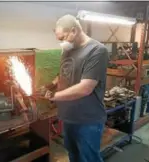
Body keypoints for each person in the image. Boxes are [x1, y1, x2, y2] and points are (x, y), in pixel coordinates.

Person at [39, 14, 109, 162]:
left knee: (89, 159)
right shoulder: (67, 50)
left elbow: (86, 88)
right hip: (68, 117)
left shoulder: (97, 51)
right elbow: (64, 73)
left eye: (63, 38)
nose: (62, 42)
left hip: (88, 120)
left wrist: (54, 96)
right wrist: (51, 85)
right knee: (73, 156)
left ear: (74, 31)